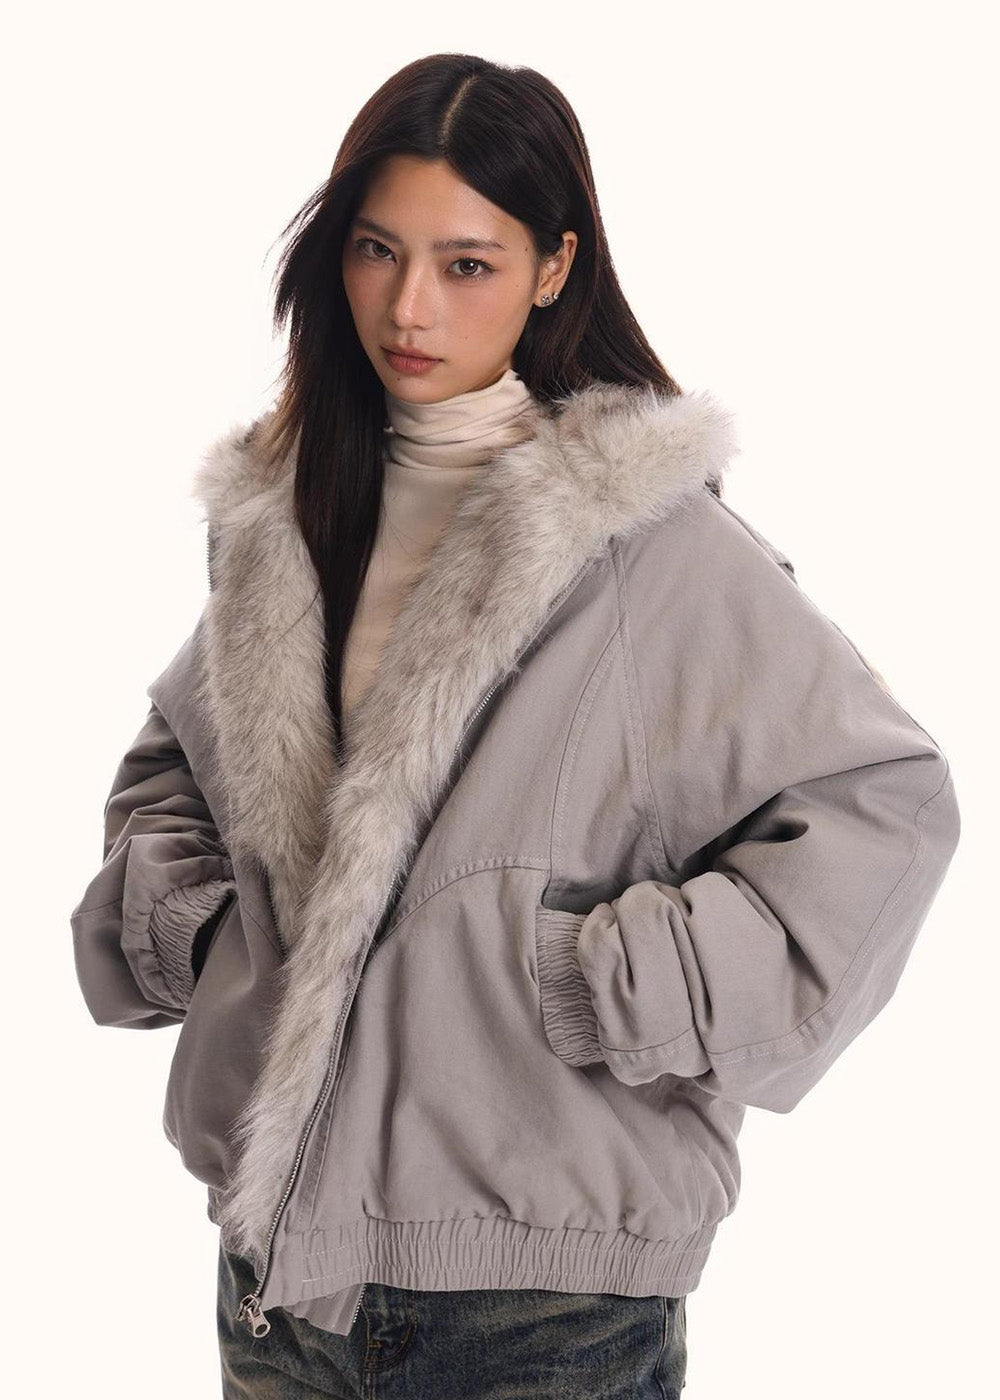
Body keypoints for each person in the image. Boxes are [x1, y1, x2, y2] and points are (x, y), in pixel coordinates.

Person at [70, 52, 961, 1400]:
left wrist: (615, 979)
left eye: (467, 264)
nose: (409, 306)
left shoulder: (647, 547)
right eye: (377, 250)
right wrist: (207, 934)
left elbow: (885, 800)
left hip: (544, 1312)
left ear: (554, 268)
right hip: (280, 1292)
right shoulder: (286, 521)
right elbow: (181, 767)